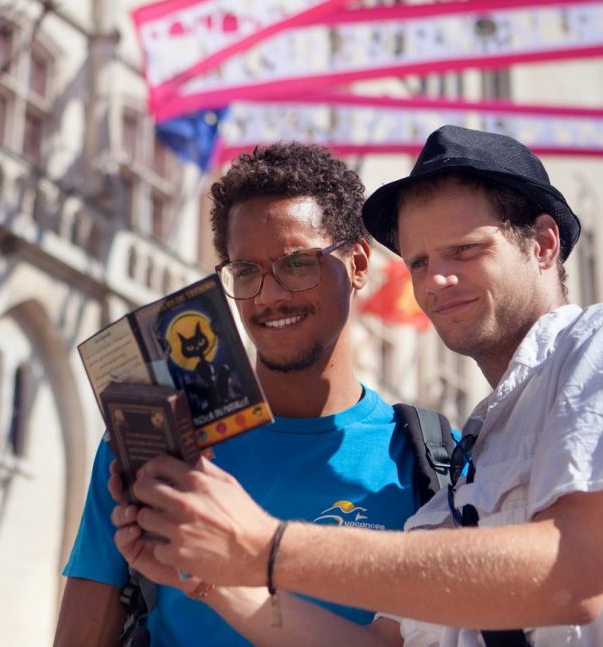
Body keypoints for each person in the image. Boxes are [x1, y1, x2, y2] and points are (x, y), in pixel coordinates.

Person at [114, 125, 603, 646]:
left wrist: (267, 546)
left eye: (464, 250)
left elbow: (573, 574)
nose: (435, 280)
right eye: (419, 261)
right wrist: (211, 576)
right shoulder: (474, 452)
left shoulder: (590, 346)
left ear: (545, 244)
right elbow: (381, 644)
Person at [55, 142, 430, 646]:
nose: (270, 296)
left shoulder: (431, 462)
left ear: (359, 262)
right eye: (246, 272)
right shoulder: (159, 444)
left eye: (297, 264)